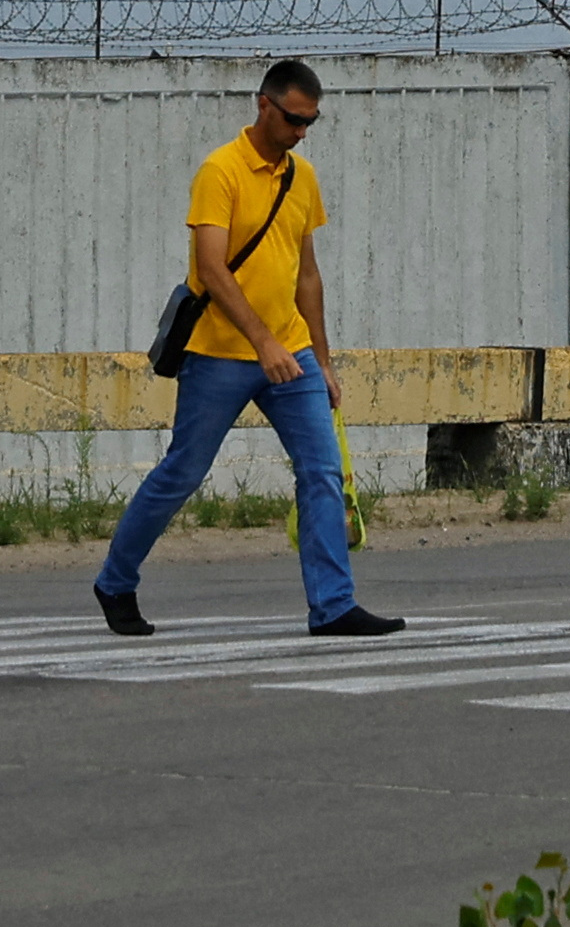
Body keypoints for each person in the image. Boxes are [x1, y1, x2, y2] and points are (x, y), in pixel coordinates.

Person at [92, 57, 401, 638]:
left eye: (311, 122)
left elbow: (307, 275)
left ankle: (333, 606)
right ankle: (115, 581)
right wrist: (261, 342)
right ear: (263, 105)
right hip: (219, 355)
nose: (301, 132)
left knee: (323, 472)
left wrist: (324, 361)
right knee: (183, 472)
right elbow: (211, 267)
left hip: (293, 352)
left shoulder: (301, 177)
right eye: (293, 119)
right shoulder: (221, 171)